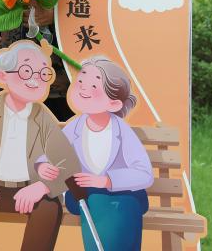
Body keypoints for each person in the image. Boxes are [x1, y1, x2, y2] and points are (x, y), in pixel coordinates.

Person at [0, 41, 82, 251]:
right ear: (3, 75)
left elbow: (70, 163)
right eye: (26, 71)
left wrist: (43, 186)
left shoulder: (43, 118)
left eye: (42, 73)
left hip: (30, 188)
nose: (35, 79)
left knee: (49, 207)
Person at [39, 56, 153, 251]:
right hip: (82, 196)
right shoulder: (75, 127)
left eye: (93, 86)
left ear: (114, 104)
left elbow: (144, 174)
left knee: (122, 205)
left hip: (123, 197)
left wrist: (107, 181)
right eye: (81, 81)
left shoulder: (122, 131)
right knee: (97, 200)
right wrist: (43, 166)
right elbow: (50, 154)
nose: (83, 88)